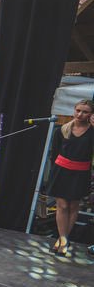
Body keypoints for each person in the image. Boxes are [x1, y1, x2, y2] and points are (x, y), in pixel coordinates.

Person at [48, 100, 94, 256]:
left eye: (85, 111)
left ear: (91, 114)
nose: (80, 114)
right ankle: (63, 241)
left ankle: (63, 240)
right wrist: (55, 172)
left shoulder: (92, 132)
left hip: (80, 173)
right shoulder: (62, 130)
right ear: (73, 110)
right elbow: (54, 155)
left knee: (73, 207)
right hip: (61, 172)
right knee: (62, 206)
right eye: (78, 110)